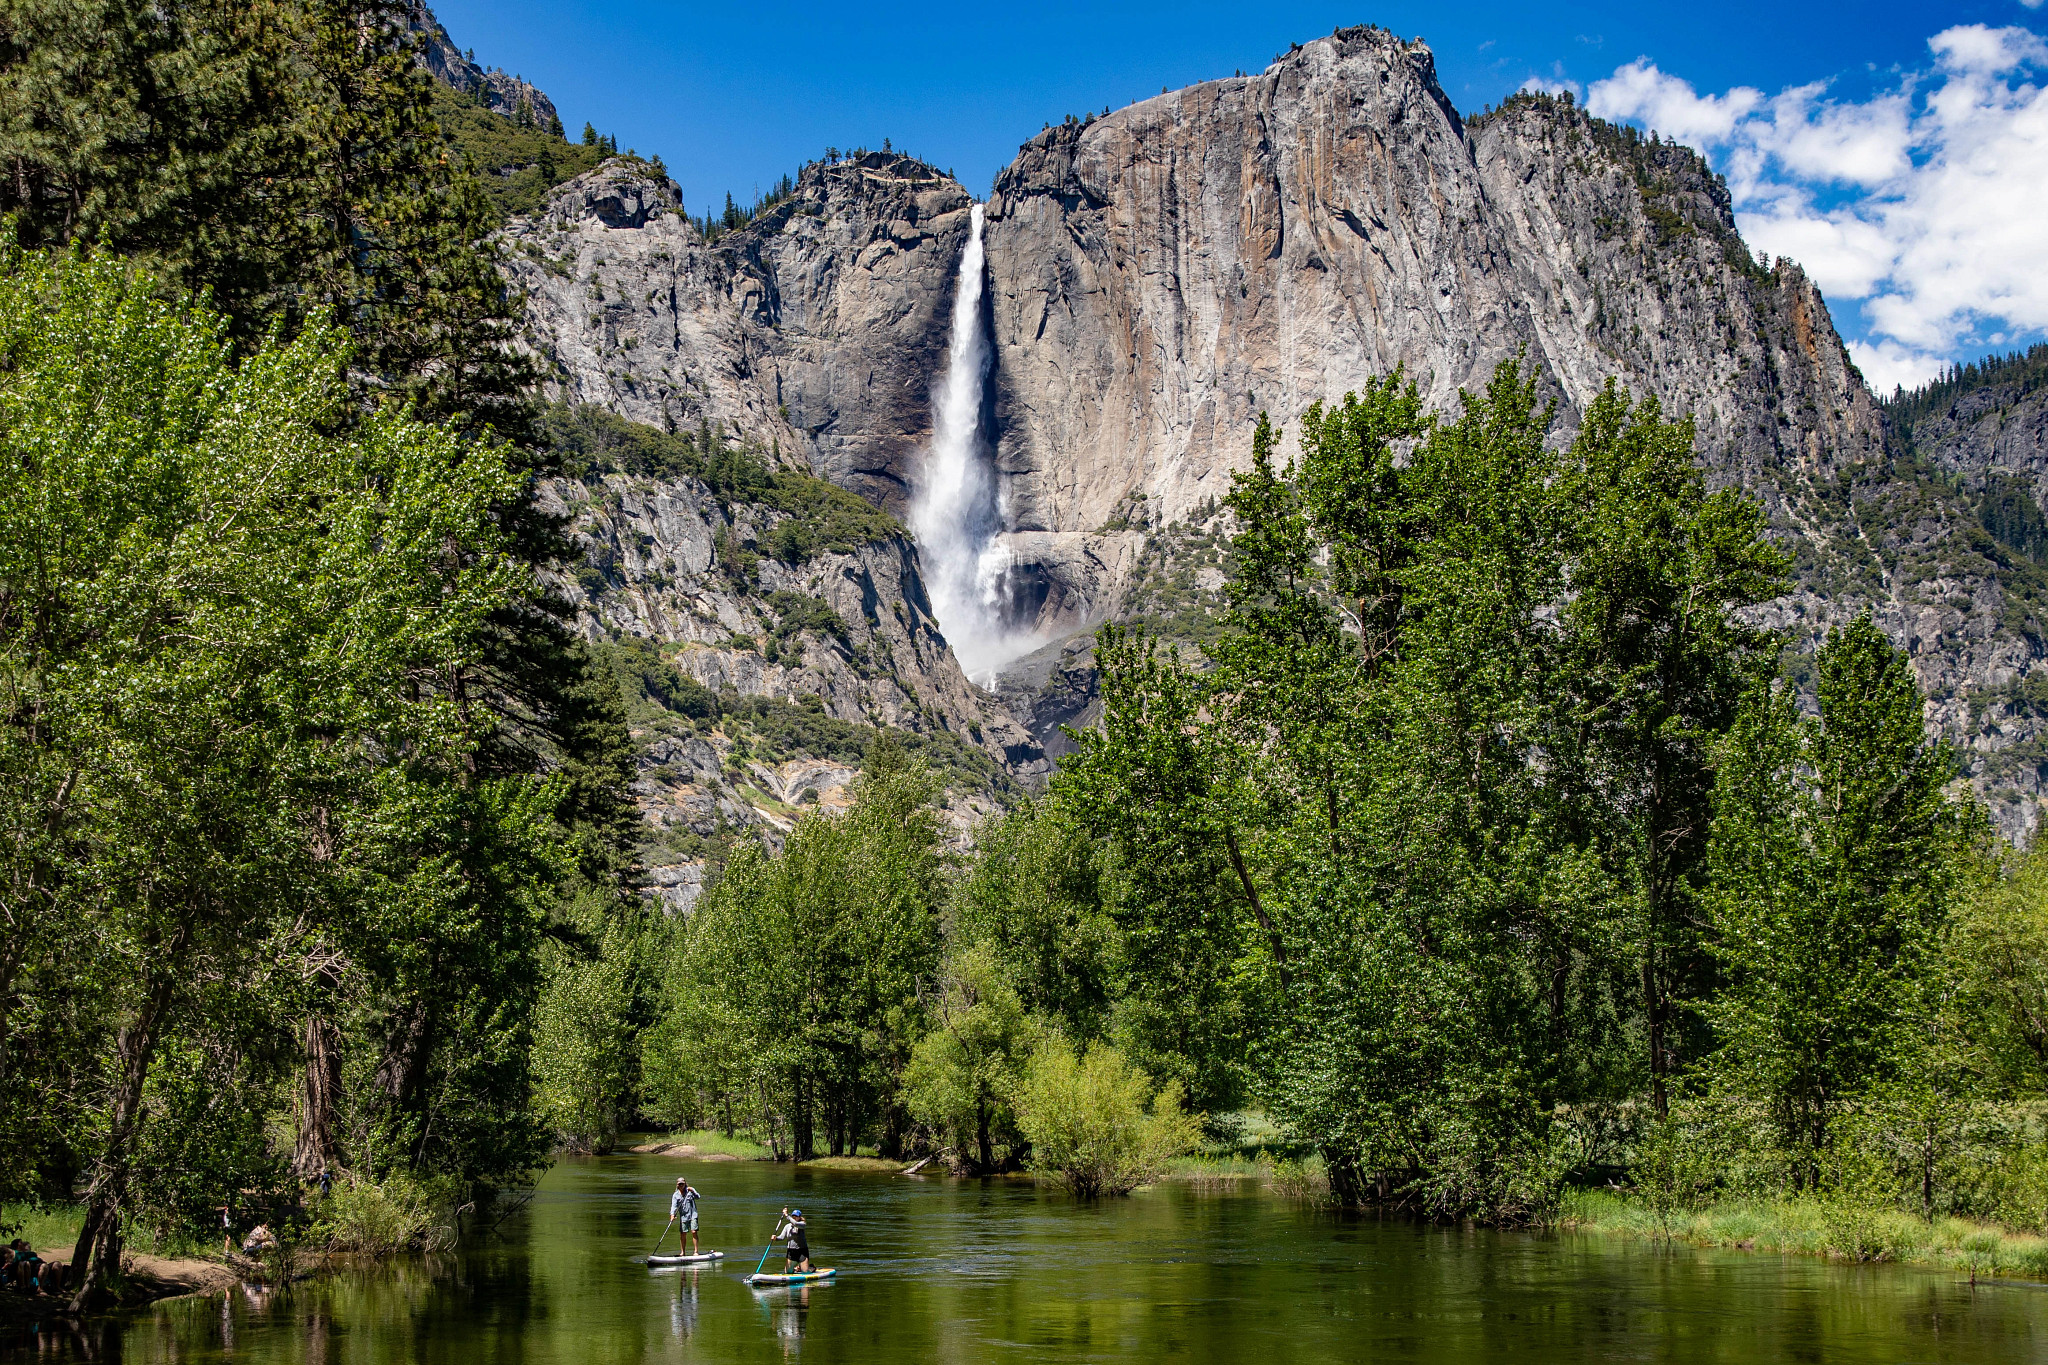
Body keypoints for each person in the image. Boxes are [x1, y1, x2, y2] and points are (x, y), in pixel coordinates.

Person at [667, 1177, 703, 1255]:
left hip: (693, 1214)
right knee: (683, 1233)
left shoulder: (690, 1190)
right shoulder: (675, 1195)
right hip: (683, 1216)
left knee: (694, 1231)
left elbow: (698, 1197)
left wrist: (693, 1191)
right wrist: (672, 1215)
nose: (681, 1186)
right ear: (677, 1185)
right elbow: (673, 1206)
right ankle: (683, 1252)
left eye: (682, 1184)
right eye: (679, 1184)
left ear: (685, 1184)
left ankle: (696, 1252)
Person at [772, 1207, 811, 1274]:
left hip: (802, 1251)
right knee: (787, 1272)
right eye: (793, 1216)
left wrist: (787, 1215)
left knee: (805, 1272)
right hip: (791, 1251)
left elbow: (795, 1224)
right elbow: (782, 1237)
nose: (794, 1217)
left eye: (796, 1216)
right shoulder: (787, 1226)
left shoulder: (802, 1224)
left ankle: (809, 1268)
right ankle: (797, 1268)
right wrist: (776, 1238)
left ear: (799, 1217)